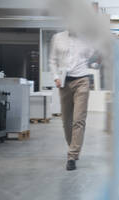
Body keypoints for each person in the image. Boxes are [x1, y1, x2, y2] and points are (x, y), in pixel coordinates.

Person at [49, 30, 96, 171]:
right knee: (66, 121)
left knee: (79, 120)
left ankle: (72, 155)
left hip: (82, 80)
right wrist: (55, 77)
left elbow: (90, 54)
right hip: (63, 82)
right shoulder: (57, 38)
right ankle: (73, 147)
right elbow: (52, 60)